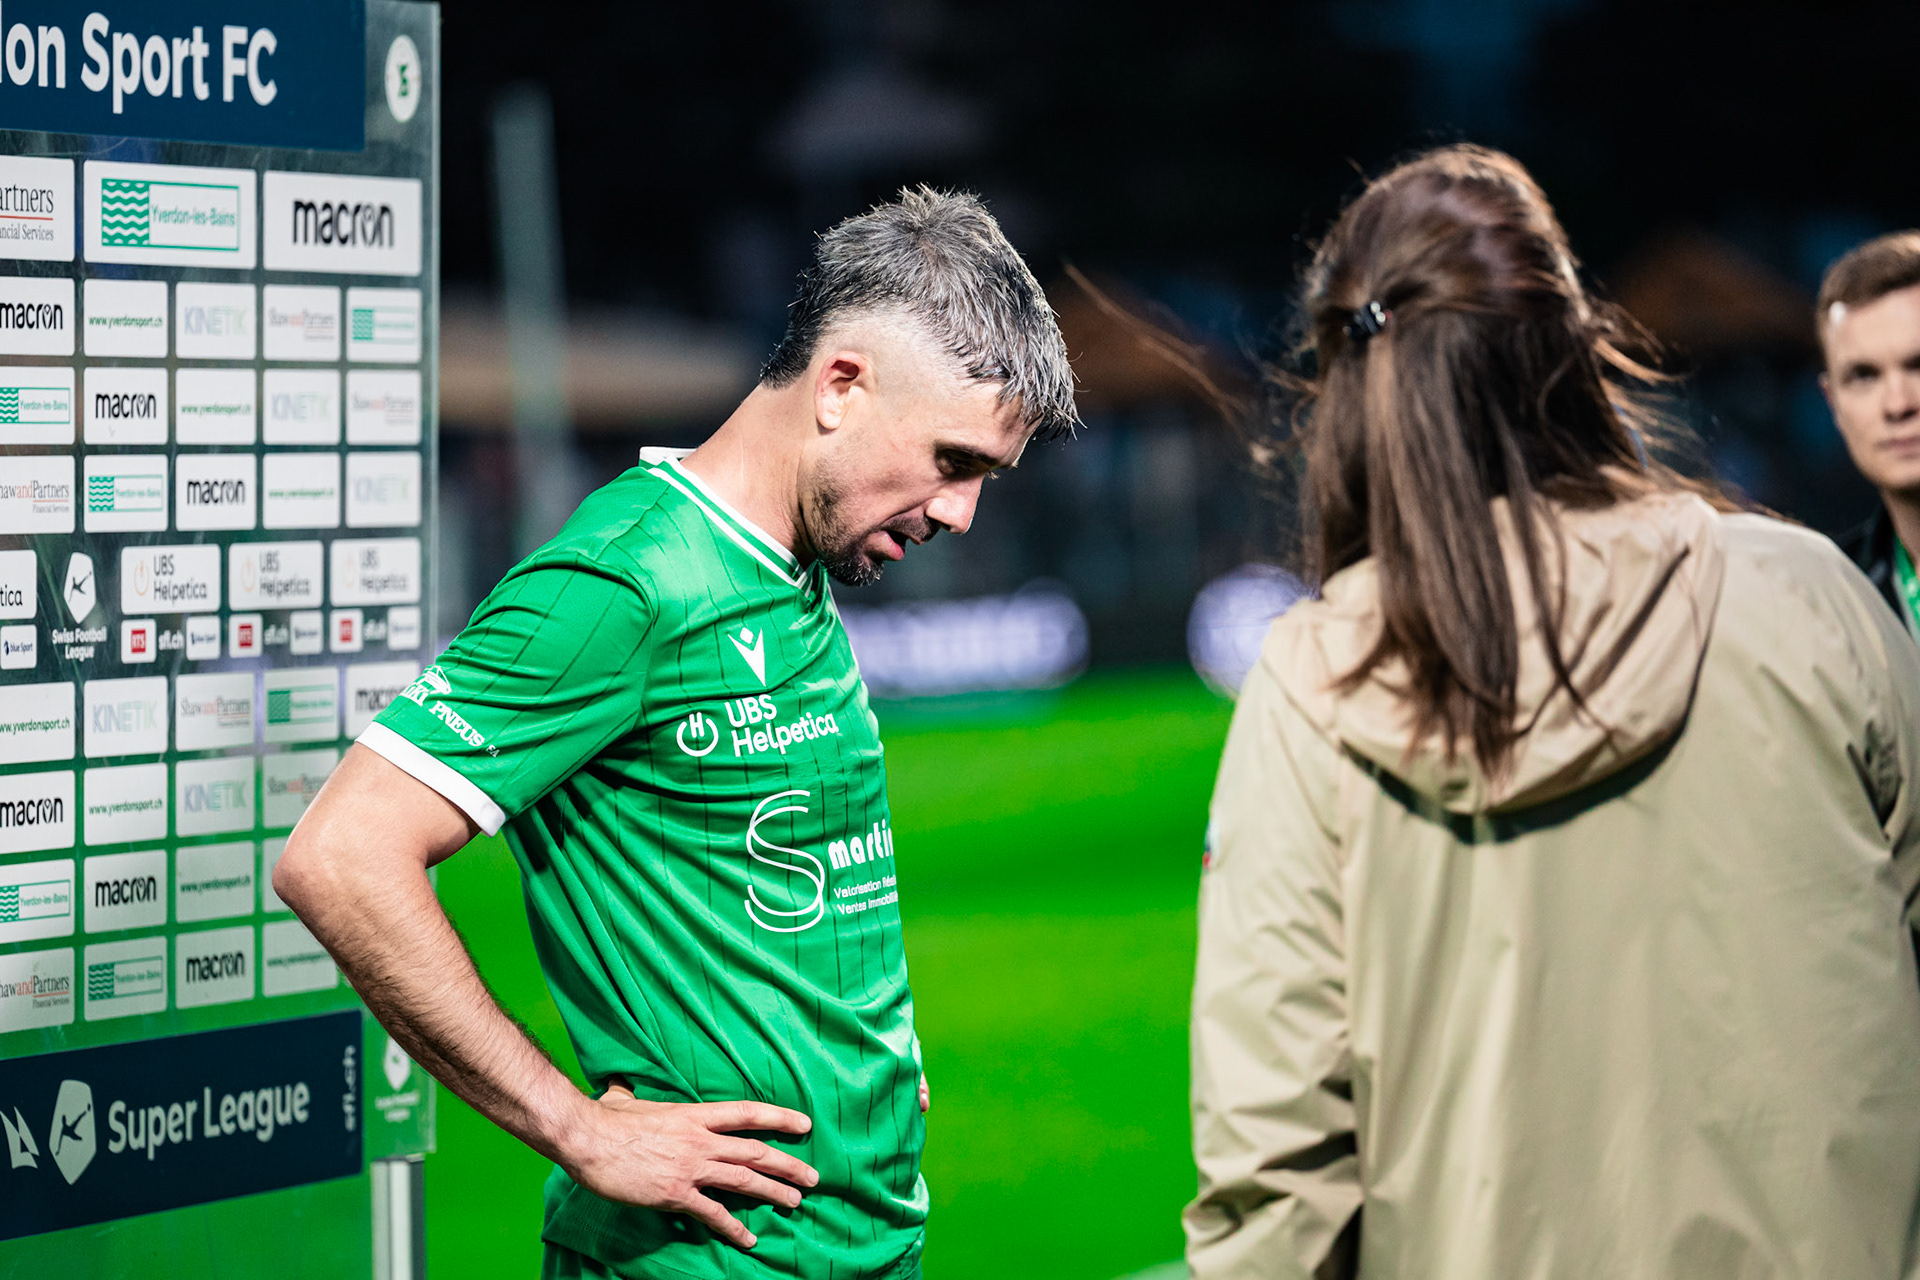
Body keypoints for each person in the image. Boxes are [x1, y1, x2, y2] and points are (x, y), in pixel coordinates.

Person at [276, 188, 1076, 1280]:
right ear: (840, 386)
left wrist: (856, 1063)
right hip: (699, 1260)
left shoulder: (792, 565)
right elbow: (339, 855)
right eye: (952, 460)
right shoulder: (624, 578)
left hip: (868, 1241)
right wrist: (577, 1127)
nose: (960, 512)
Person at [1186, 145, 1920, 1279]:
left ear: (1351, 392)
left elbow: (1274, 1181)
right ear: (1575, 345)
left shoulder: (1312, 687)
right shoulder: (1812, 595)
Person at [1820, 231, 1920, 641]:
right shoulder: (1825, 600)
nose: (1898, 404)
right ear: (1833, 403)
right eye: (1864, 376)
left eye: (1918, 365)